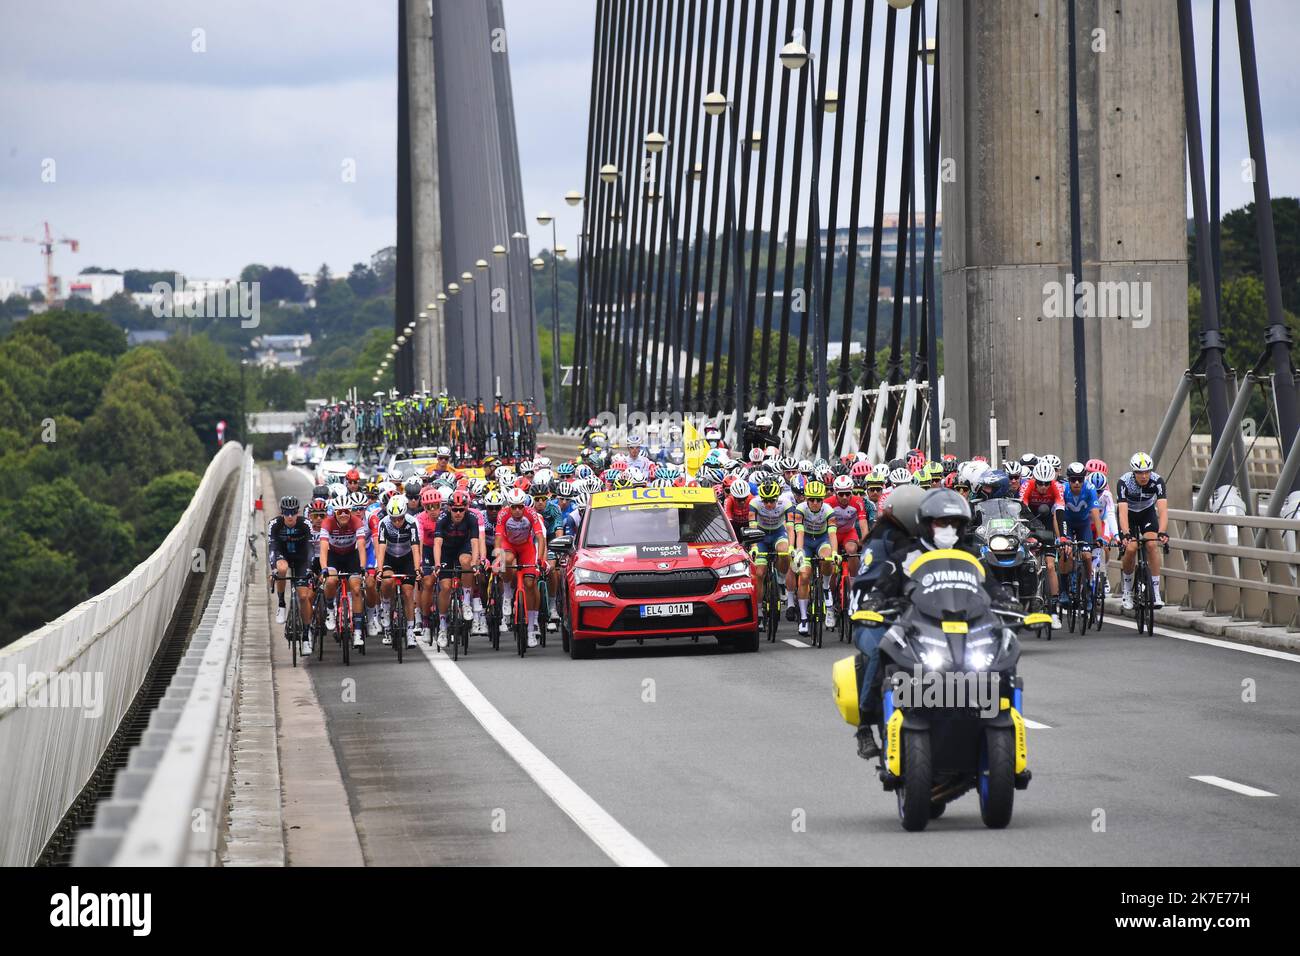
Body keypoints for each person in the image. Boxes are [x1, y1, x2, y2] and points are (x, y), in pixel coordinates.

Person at [1116, 452, 1169, 609]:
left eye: (1147, 472)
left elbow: (1163, 510)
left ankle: (1155, 592)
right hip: (1129, 516)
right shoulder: (1124, 482)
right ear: (1134, 472)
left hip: (1147, 513)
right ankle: (1127, 591)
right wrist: (1125, 533)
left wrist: (1162, 531)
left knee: (1152, 545)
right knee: (1131, 548)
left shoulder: (1157, 481)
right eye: (1140, 472)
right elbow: (1123, 512)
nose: (1144, 476)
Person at [319, 492, 369, 648]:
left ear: (350, 511)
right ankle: (330, 609)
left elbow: (361, 547)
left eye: (346, 511)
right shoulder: (327, 523)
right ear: (334, 512)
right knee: (332, 580)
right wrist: (324, 569)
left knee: (356, 589)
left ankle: (358, 632)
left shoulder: (356, 522)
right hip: (333, 555)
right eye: (339, 511)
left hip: (351, 556)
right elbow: (323, 549)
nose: (343, 514)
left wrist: (362, 567)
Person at [268, 495, 314, 655]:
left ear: (297, 512)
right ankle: (281, 604)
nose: (289, 516)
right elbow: (272, 548)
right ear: (282, 512)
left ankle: (307, 636)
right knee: (281, 569)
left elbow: (310, 549)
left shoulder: (305, 524)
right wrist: (273, 568)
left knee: (303, 597)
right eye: (286, 512)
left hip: (301, 559)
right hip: (283, 555)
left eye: (292, 512)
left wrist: (310, 569)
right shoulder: (274, 524)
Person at [374, 496, 422, 648]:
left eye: (399, 519)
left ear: (405, 514)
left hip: (407, 558)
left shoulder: (412, 522)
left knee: (408, 592)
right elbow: (381, 548)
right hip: (389, 558)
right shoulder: (384, 523)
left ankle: (409, 631)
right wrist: (380, 569)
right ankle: (387, 622)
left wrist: (417, 568)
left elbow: (415, 547)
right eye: (393, 519)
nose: (396, 522)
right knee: (387, 582)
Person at [791, 480, 837, 636]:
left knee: (828, 558)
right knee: (804, 575)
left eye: (818, 500)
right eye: (811, 499)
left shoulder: (828, 510)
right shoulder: (800, 509)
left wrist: (835, 552)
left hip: (822, 540)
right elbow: (800, 532)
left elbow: (832, 534)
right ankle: (803, 618)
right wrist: (799, 552)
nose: (815, 503)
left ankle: (825, 588)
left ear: (823, 500)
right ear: (806, 499)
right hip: (806, 542)